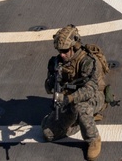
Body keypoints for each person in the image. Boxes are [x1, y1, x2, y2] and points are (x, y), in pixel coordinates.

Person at [42, 25, 107, 161]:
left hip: (93, 97)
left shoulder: (88, 61)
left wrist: (70, 98)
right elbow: (49, 88)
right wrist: (52, 81)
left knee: (80, 108)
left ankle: (93, 139)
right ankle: (79, 121)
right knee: (48, 133)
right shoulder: (56, 62)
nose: (62, 54)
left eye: (65, 51)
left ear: (74, 46)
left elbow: (90, 90)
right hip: (68, 99)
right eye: (59, 51)